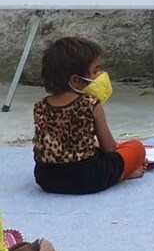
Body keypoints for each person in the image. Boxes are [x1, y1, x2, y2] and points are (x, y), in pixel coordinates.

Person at [33, 37, 147, 195]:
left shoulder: (40, 106)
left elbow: (60, 142)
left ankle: (120, 173)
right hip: (87, 179)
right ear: (76, 80)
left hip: (46, 179)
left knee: (95, 149)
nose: (99, 75)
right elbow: (109, 148)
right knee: (136, 147)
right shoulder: (91, 104)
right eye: (95, 71)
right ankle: (122, 175)